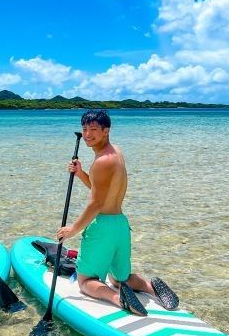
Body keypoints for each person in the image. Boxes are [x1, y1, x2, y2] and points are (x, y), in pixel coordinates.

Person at [56, 110, 178, 316]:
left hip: (102, 227)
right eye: (84, 129)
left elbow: (96, 204)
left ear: (106, 131)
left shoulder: (101, 162)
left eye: (93, 130)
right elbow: (101, 191)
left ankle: (117, 298)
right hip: (120, 225)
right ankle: (150, 287)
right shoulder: (116, 153)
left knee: (86, 280)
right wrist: (80, 173)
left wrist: (73, 230)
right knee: (119, 278)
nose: (87, 134)